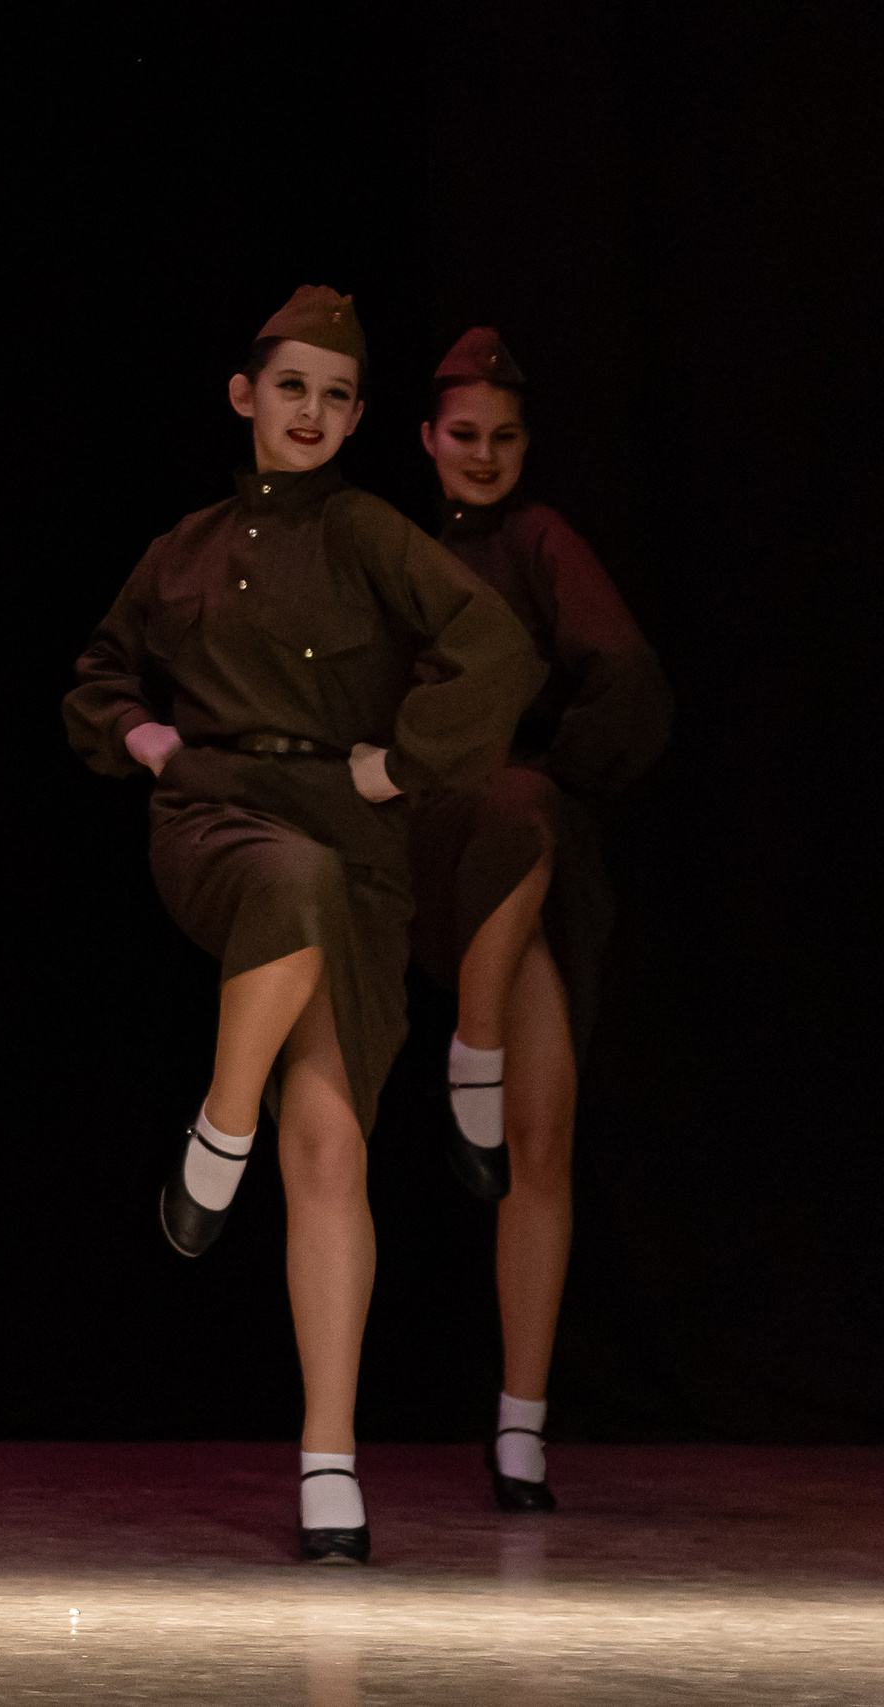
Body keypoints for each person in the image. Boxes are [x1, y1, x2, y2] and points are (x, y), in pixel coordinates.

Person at [62, 289, 542, 1563]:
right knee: (287, 884)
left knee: (331, 1146)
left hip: (351, 829)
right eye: (291, 388)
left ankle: (328, 1459)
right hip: (219, 814)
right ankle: (218, 1131)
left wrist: (409, 764)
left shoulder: (369, 529)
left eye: (335, 396)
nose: (312, 414)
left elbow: (493, 645)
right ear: (245, 395)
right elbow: (99, 675)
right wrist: (141, 734)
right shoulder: (184, 544)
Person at [411, 327, 671, 1512]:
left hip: (513, 848)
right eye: (463, 436)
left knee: (541, 1142)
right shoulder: (393, 544)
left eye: (503, 439)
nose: (481, 455)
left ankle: (521, 1427)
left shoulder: (540, 540)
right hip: (414, 836)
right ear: (426, 439)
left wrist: (561, 765)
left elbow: (622, 667)